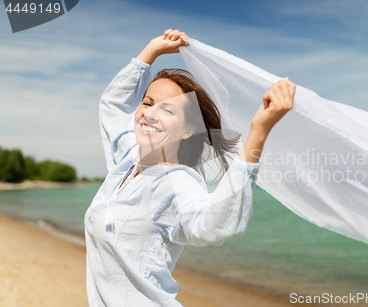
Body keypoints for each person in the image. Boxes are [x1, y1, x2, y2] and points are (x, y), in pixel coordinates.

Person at [84, 29, 296, 307]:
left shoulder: (175, 181)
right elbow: (113, 106)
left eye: (167, 110)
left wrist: (259, 131)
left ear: (187, 129)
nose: (149, 113)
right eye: (147, 103)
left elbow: (211, 225)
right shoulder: (127, 160)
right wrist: (151, 52)